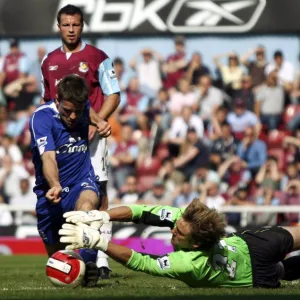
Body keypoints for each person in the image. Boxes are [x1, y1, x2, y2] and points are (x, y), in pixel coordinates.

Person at [40, 4, 120, 278]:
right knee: (60, 191)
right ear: (59, 27)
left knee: (98, 193)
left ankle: (101, 259)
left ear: (82, 26)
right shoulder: (48, 60)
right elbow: (47, 100)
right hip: (63, 140)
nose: (71, 29)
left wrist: (97, 124)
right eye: (66, 25)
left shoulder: (98, 56)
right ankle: (74, 254)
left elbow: (113, 95)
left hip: (92, 137)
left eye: (76, 24)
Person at [60, 200, 300, 288]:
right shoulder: (187, 224)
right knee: (285, 269)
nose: (173, 228)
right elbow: (142, 211)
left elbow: (141, 261)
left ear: (195, 244)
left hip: (253, 257)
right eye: (177, 223)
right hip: (252, 260)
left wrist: (99, 241)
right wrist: (102, 216)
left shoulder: (187, 262)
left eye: (179, 231)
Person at [30, 75, 109, 286]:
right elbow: (48, 157)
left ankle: (91, 264)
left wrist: (100, 122)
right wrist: (55, 184)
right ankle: (77, 272)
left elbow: (90, 111)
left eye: (78, 110)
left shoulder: (84, 108)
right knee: (58, 261)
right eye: (67, 111)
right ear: (57, 101)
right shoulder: (42, 118)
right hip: (51, 190)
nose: (73, 116)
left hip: (81, 180)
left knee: (88, 208)